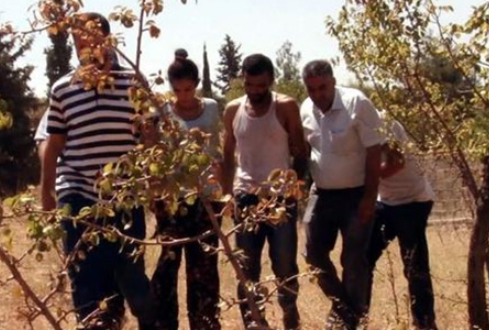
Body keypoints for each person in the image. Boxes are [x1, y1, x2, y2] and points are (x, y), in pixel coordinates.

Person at [39, 12, 157, 330]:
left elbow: (149, 137)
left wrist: (157, 181)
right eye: (77, 41)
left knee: (130, 275)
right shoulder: (63, 88)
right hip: (77, 193)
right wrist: (46, 192)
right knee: (85, 278)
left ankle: (143, 317)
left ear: (106, 39)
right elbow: (54, 144)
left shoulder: (133, 82)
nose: (83, 46)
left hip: (125, 196)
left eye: (88, 38)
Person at [221, 53, 307, 330]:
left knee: (284, 264)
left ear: (271, 80)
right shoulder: (233, 110)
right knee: (247, 268)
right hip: (245, 197)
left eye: (261, 85)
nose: (256, 91)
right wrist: (226, 197)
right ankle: (254, 322)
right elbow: (226, 156)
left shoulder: (286, 107)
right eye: (250, 85)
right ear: (243, 81)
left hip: (280, 197)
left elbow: (301, 151)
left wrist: (297, 186)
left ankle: (289, 314)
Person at [299, 59, 383, 330]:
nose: (317, 94)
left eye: (322, 87)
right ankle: (345, 310)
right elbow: (306, 152)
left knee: (354, 259)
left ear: (333, 82)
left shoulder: (357, 103)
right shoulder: (305, 109)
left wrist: (370, 197)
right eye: (311, 89)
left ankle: (351, 322)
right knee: (312, 254)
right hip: (321, 194)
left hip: (356, 195)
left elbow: (374, 152)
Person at [150, 49, 222, 330]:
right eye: (178, 89)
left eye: (189, 88)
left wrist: (222, 193)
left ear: (197, 83)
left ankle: (205, 323)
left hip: (206, 197)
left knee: (203, 267)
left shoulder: (213, 108)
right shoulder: (162, 111)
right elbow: (153, 152)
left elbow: (219, 153)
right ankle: (163, 324)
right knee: (168, 264)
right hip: (172, 199)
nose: (184, 95)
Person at [367, 112, 438, 330]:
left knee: (414, 266)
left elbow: (396, 162)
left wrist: (364, 179)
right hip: (385, 201)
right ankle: (355, 319)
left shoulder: (384, 122)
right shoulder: (343, 128)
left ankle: (424, 323)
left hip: (412, 200)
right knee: (361, 258)